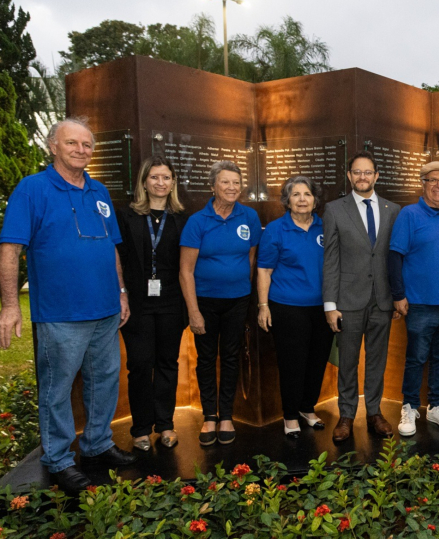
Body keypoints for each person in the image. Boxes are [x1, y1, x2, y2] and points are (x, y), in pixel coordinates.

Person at [0, 118, 136, 493]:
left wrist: (121, 291)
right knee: (57, 390)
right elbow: (10, 249)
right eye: (72, 143)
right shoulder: (32, 189)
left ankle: (97, 444)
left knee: (104, 381)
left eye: (87, 144)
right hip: (61, 314)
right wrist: (10, 305)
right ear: (53, 146)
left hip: (106, 311)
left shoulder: (99, 191)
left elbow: (111, 248)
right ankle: (58, 459)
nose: (81, 150)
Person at [179, 161, 261, 445]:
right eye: (225, 182)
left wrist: (243, 290)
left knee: (230, 357)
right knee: (205, 359)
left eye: (236, 182)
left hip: (237, 301)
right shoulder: (197, 221)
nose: (232, 187)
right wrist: (193, 312)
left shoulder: (249, 217)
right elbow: (185, 270)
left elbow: (251, 258)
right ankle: (209, 416)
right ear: (213, 186)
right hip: (204, 302)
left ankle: (226, 415)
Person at [323, 151, 400, 443]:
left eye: (368, 172)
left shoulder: (393, 210)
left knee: (377, 361)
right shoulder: (334, 210)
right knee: (348, 361)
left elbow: (396, 257)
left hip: (383, 300)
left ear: (376, 176)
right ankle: (346, 415)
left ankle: (374, 412)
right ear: (349, 176)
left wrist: (398, 296)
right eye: (357, 172)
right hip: (347, 301)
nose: (362, 177)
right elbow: (331, 259)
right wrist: (330, 305)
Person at [117, 156, 188, 451]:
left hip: (172, 301)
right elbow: (118, 257)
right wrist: (122, 292)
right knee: (140, 365)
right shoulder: (127, 216)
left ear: (173, 183)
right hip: (138, 303)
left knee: (168, 363)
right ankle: (141, 428)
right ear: (144, 182)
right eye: (155, 177)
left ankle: (166, 424)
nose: (161, 183)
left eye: (166, 177)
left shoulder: (182, 218)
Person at [257, 176, 334, 437]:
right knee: (293, 364)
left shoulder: (326, 226)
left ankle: (307, 408)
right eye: (296, 194)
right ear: (287, 200)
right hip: (288, 307)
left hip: (323, 308)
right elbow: (264, 270)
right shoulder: (276, 229)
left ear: (315, 200)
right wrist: (263, 306)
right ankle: (290, 415)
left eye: (307, 194)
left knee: (317, 361)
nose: (302, 199)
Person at [390, 162, 439, 436]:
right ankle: (409, 407)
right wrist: (398, 295)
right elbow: (394, 256)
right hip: (420, 303)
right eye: (433, 180)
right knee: (416, 359)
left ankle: (436, 406)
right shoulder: (409, 214)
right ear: (423, 183)